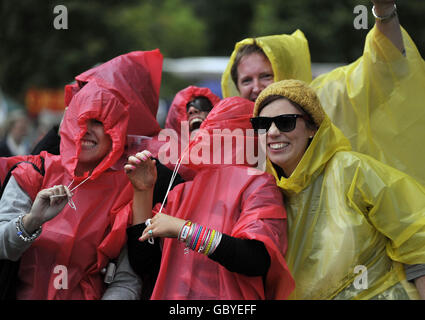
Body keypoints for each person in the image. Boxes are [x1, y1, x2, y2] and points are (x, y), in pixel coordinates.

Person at [0, 50, 165, 299]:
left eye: (98, 122)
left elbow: (127, 281)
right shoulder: (34, 172)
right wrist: (31, 221)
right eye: (81, 119)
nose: (86, 131)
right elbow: (3, 246)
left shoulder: (128, 190)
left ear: (116, 131)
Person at [250, 79, 425, 299]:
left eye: (285, 122)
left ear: (312, 128)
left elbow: (418, 234)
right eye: (263, 124)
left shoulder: (351, 170)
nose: (273, 132)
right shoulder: (265, 193)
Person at [222, 0, 425, 186]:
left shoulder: (329, 94)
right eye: (246, 80)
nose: (257, 87)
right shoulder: (236, 133)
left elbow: (385, 64)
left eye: (266, 75)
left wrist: (384, 9)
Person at [124, 96, 295, 299]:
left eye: (218, 127)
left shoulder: (259, 184)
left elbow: (256, 259)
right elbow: (144, 263)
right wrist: (143, 192)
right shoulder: (182, 192)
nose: (208, 135)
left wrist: (184, 230)